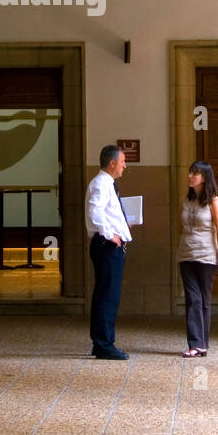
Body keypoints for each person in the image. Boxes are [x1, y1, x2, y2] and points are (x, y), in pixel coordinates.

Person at [178, 161, 218, 357]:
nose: (191, 176)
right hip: (186, 254)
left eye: (196, 174)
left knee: (204, 300)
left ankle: (202, 343)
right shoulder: (185, 199)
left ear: (205, 177)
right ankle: (195, 343)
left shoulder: (213, 201)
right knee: (192, 298)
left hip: (207, 255)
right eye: (190, 172)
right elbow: (181, 226)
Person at [84, 144, 132, 359]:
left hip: (107, 245)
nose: (125, 166)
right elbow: (95, 212)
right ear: (112, 163)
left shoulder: (106, 183)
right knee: (108, 296)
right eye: (122, 161)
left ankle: (101, 342)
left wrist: (120, 228)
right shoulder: (101, 184)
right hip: (106, 246)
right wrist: (110, 234)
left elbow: (106, 212)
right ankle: (104, 344)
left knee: (106, 294)